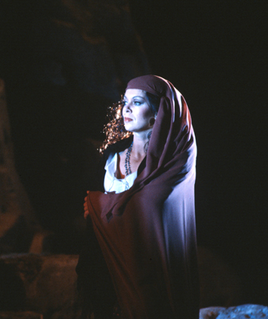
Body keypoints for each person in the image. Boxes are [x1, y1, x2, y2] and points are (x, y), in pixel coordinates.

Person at [76, 75, 199, 319]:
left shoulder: (175, 161)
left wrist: (98, 204)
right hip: (106, 266)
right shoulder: (112, 155)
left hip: (149, 273)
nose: (126, 109)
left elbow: (148, 207)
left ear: (158, 112)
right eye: (125, 102)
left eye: (138, 102)